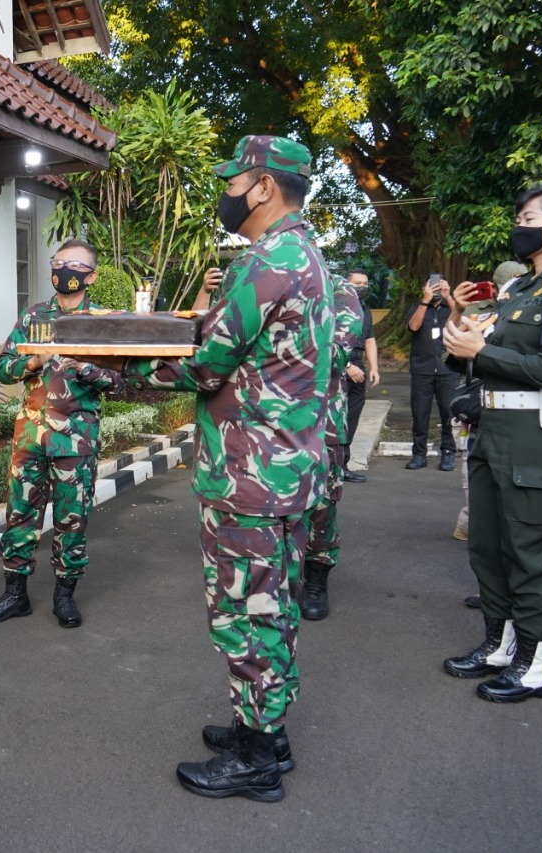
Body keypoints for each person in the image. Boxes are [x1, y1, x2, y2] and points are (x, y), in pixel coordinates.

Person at [120, 136, 333, 802]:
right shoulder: (305, 254)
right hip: (283, 469)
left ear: (264, 186)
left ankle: (257, 759)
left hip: (251, 476)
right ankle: (262, 731)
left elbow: (206, 363)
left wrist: (117, 365)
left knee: (246, 613)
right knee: (272, 606)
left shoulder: (268, 261)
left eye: (234, 182)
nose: (227, 194)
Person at [442, 180, 542, 702]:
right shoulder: (518, 288)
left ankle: (534, 667)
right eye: (519, 219)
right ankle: (499, 646)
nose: (520, 227)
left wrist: (482, 352)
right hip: (491, 430)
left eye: (530, 219)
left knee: (527, 551)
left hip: (534, 438)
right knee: (488, 547)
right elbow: (473, 355)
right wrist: (458, 324)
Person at [0, 239, 124, 629]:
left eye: (74, 265)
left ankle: (65, 596)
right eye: (58, 263)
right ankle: (15, 594)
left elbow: (120, 382)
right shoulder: (33, 316)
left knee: (71, 518)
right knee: (20, 514)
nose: (64, 270)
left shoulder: (101, 323)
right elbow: (3, 368)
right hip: (30, 437)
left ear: (92, 276)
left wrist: (84, 368)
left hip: (76, 438)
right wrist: (33, 362)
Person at [452, 260, 527, 544]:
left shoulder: (530, 309)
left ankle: (498, 527)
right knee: (475, 466)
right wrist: (459, 311)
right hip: (478, 401)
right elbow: (453, 349)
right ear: (494, 287)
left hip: (516, 402)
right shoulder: (475, 311)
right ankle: (470, 523)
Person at [302, 277, 364, 621]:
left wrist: (270, 341)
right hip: (268, 423)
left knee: (322, 505)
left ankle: (316, 576)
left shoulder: (339, 289)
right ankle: (278, 575)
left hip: (321, 421)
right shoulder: (265, 283)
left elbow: (336, 351)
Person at [406, 274, 460, 471]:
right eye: (432, 287)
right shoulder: (416, 308)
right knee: (420, 413)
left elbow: (462, 321)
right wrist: (425, 301)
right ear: (424, 289)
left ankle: (448, 452)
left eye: (439, 287)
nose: (435, 291)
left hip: (448, 369)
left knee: (448, 412)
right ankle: (419, 454)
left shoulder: (450, 308)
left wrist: (448, 296)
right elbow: (414, 326)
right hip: (422, 369)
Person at [341, 269, 380, 482]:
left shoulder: (365, 309)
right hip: (338, 367)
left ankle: (343, 465)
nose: (362, 287)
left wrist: (373, 367)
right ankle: (331, 468)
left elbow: (369, 340)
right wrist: (346, 365)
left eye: (365, 284)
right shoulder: (336, 307)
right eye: (358, 283)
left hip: (358, 366)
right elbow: (327, 339)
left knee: (352, 418)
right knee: (336, 419)